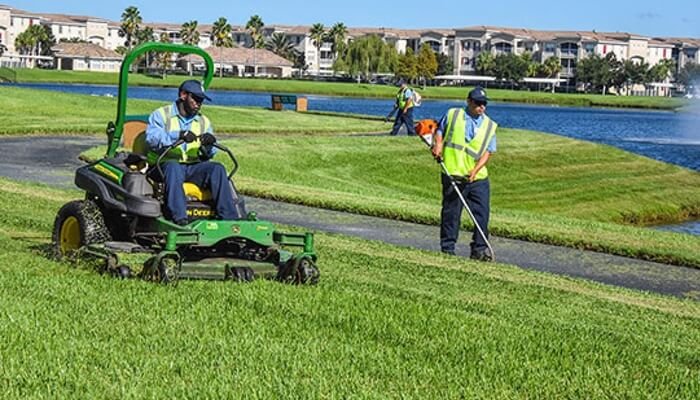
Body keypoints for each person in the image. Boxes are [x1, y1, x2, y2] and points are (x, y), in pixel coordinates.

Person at [145, 79, 243, 225]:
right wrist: (178, 135)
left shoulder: (203, 121)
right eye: (196, 99)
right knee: (174, 167)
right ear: (183, 95)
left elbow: (209, 154)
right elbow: (152, 139)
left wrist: (209, 145)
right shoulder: (161, 115)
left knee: (217, 168)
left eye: (201, 100)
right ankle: (179, 219)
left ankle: (230, 218)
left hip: (192, 167)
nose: (199, 103)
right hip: (161, 167)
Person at [431, 86, 497, 260]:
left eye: (484, 104)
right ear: (469, 101)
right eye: (477, 103)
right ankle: (448, 249)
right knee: (451, 213)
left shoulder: (489, 126)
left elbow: (488, 152)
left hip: (477, 178)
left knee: (482, 214)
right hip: (453, 173)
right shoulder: (453, 115)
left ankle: (479, 249)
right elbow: (439, 131)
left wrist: (475, 170)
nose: (481, 107)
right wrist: (437, 144)